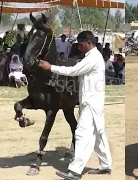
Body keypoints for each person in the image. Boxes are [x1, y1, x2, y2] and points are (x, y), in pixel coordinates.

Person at [38, 31, 112, 180]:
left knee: (81, 134)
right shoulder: (91, 56)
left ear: (89, 43)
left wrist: (50, 67)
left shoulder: (93, 58)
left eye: (81, 44)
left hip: (91, 103)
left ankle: (75, 171)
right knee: (98, 135)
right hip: (91, 101)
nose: (78, 47)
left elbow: (73, 71)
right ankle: (105, 165)